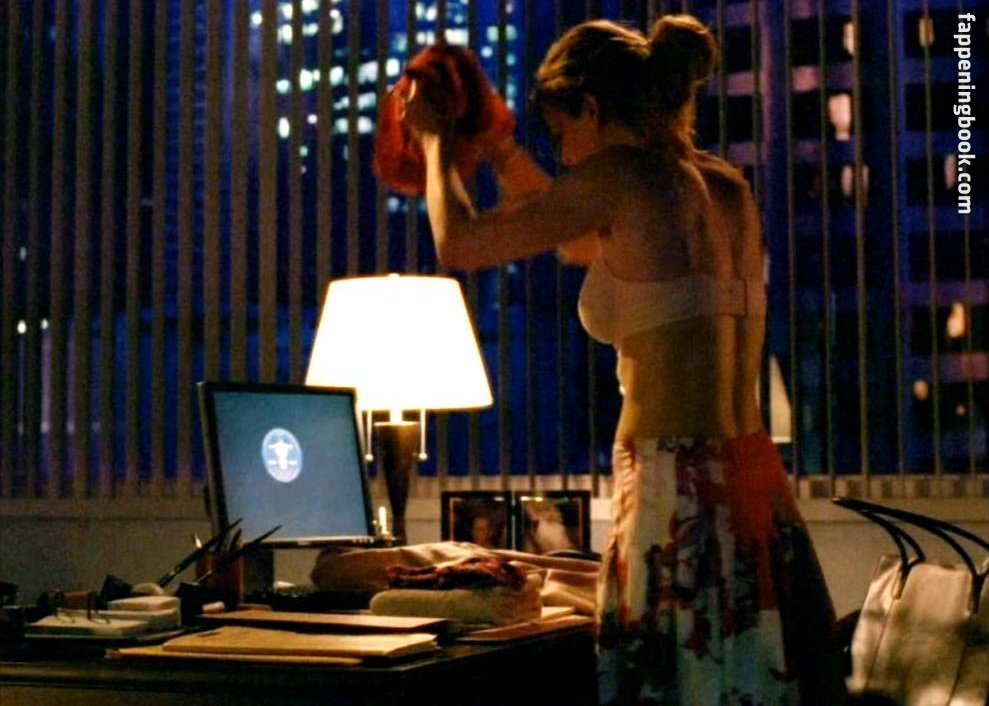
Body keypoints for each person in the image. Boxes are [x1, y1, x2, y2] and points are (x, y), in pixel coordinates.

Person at [401, 15, 846, 706]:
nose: (564, 154)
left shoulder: (617, 177)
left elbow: (460, 243)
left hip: (673, 487)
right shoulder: (723, 186)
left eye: (562, 132)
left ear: (591, 106)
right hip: (753, 480)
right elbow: (580, 242)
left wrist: (434, 141)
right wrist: (499, 152)